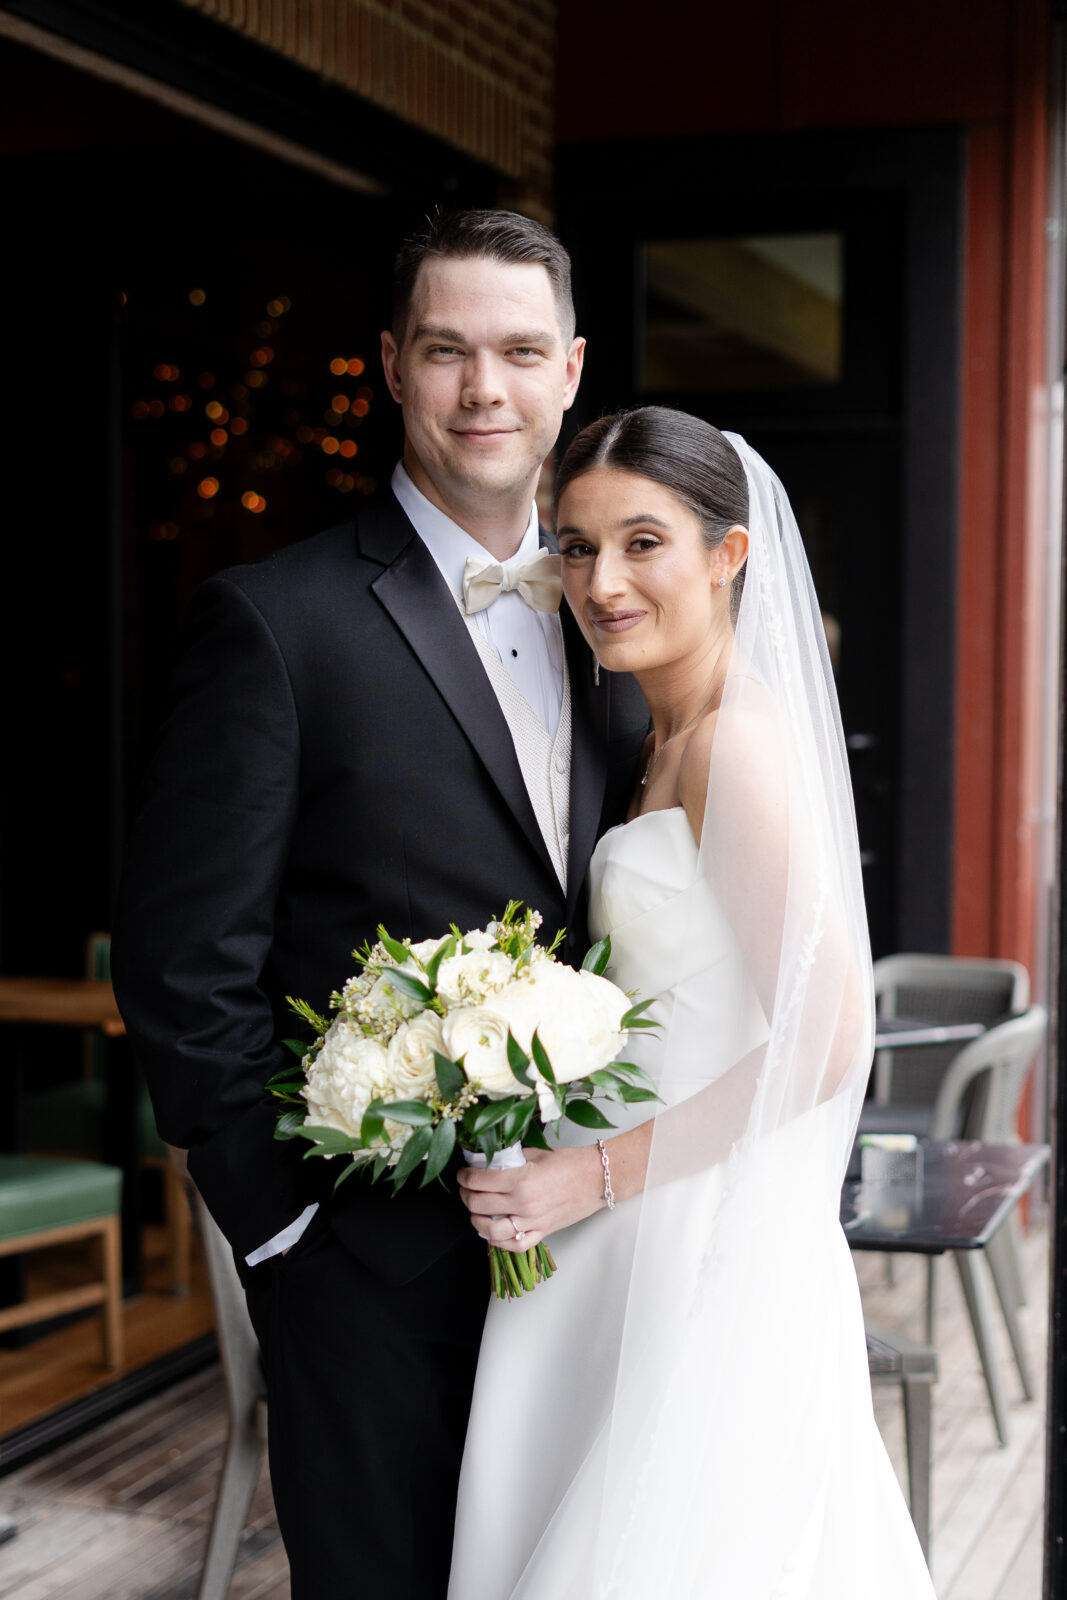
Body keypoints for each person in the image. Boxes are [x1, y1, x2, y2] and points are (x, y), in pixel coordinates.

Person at [110, 211, 649, 1599]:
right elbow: (185, 962)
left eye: (520, 351)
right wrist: (286, 1232)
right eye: (448, 351)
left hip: (597, 1258)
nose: (487, 390)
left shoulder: (622, 621)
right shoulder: (275, 620)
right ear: (392, 370)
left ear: (571, 369)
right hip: (370, 1279)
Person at [451, 407, 938, 1599]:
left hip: (693, 1229)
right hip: (627, 1219)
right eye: (573, 546)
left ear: (728, 554)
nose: (600, 580)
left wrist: (588, 1175)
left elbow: (825, 1041)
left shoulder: (733, 746)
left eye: (641, 542)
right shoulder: (655, 735)